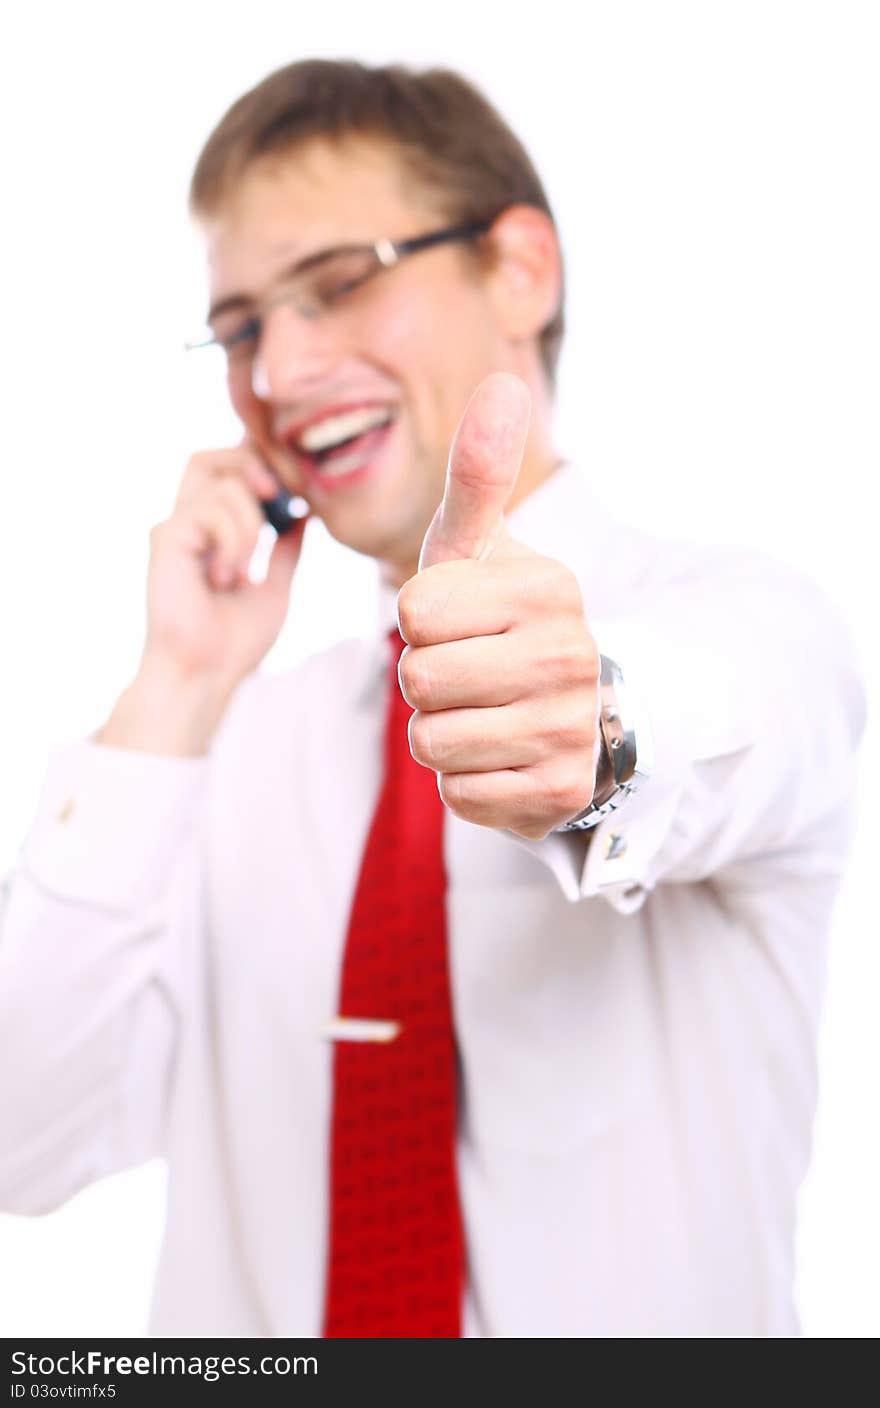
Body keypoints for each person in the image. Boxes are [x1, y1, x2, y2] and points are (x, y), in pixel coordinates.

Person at [0, 59, 866, 1339]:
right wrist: (176, 684)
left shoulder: (744, 622)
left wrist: (593, 727)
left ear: (520, 268)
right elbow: (24, 1137)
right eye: (240, 327)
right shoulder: (231, 750)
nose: (278, 372)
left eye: (340, 282)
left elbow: (718, 721)